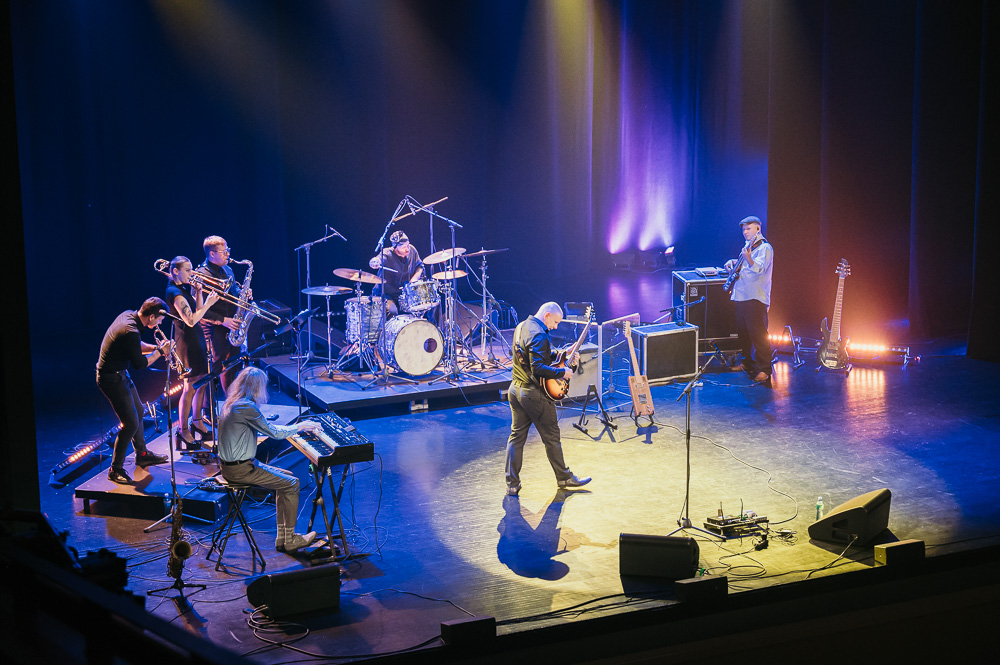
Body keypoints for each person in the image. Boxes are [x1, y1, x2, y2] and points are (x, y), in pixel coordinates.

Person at [217, 367, 322, 552]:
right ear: (257, 387)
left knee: (287, 477)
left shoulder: (232, 403)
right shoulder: (246, 407)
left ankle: (283, 538)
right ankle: (290, 539)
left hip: (232, 466)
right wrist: (301, 426)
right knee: (292, 484)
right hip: (241, 469)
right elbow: (275, 433)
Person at [505, 302, 591, 496]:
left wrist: (562, 354)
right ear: (547, 315)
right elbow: (537, 368)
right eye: (555, 322)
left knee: (516, 438)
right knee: (551, 436)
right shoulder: (539, 334)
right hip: (533, 394)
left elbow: (535, 354)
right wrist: (563, 372)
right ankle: (564, 477)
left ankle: (512, 484)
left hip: (515, 390)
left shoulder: (522, 326)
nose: (555, 326)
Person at [96, 298, 171, 484]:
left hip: (121, 374)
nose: (160, 323)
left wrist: (156, 347)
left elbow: (135, 347)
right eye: (160, 319)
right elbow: (140, 364)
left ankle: (142, 454)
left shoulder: (129, 315)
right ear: (151, 317)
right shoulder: (130, 330)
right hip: (110, 379)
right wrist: (161, 352)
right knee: (130, 423)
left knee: (139, 412)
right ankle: (115, 469)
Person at [165, 256, 220, 447]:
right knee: (189, 387)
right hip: (187, 343)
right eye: (187, 270)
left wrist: (198, 293)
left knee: (202, 382)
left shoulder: (182, 289)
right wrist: (209, 303)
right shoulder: (174, 293)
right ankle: (183, 430)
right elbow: (190, 320)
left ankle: (197, 422)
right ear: (175, 271)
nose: (192, 273)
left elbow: (197, 310)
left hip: (196, 339)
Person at [725, 215, 774, 386]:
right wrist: (734, 262)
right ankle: (747, 363)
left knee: (759, 335)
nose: (745, 232)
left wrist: (748, 259)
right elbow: (746, 267)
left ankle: (765, 369)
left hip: (755, 297)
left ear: (758, 229)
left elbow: (760, 268)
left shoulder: (765, 247)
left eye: (748, 228)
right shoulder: (749, 246)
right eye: (744, 229)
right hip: (742, 295)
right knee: (743, 333)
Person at [197, 235, 241, 392]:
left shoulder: (228, 269)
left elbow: (234, 291)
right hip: (214, 328)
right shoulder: (202, 275)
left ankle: (232, 399)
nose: (228, 254)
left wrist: (242, 292)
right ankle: (207, 404)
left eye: (228, 250)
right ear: (212, 253)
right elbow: (200, 311)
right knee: (215, 367)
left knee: (233, 363)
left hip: (231, 325)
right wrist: (223, 320)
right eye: (224, 251)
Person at [369, 230, 423, 317]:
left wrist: (414, 279)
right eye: (404, 247)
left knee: (426, 305)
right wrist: (375, 261)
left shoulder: (412, 250)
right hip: (386, 295)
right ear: (395, 247)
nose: (407, 249)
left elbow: (420, 266)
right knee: (392, 312)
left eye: (408, 245)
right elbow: (379, 258)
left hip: (404, 295)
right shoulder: (387, 253)